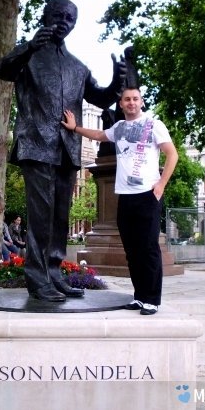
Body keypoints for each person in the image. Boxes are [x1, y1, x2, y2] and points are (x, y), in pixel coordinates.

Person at [0, 0, 126, 302]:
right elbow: (1, 69)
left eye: (71, 18)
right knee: (41, 217)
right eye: (59, 15)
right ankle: (37, 279)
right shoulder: (28, 56)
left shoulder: (77, 66)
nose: (64, 22)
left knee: (60, 217)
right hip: (36, 145)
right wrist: (29, 47)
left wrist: (116, 82)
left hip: (67, 148)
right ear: (46, 16)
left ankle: (54, 273)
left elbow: (100, 97)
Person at [61, 88, 179, 315]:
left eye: (135, 99)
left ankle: (152, 300)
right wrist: (75, 128)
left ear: (141, 102)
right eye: (127, 99)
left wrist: (161, 184)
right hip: (125, 197)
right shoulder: (119, 127)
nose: (131, 102)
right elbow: (99, 135)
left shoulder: (154, 125)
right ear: (122, 104)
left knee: (148, 249)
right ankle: (140, 297)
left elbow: (172, 154)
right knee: (132, 251)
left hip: (147, 195)